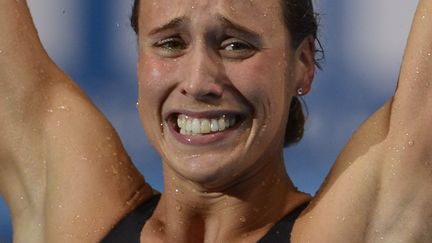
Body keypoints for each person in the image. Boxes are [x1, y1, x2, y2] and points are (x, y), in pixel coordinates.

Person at [1, 0, 431, 242]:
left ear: (302, 64)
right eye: (170, 44)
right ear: (138, 63)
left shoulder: (351, 231)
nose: (198, 81)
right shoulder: (75, 220)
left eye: (235, 45)